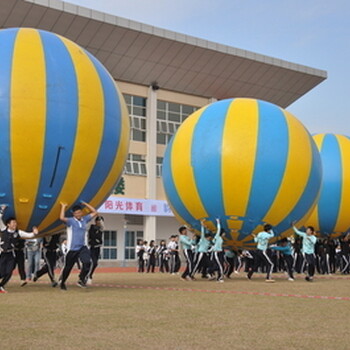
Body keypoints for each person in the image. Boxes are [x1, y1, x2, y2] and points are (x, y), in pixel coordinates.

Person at [59, 201, 97, 290]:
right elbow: (61, 218)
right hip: (72, 248)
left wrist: (85, 204)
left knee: (88, 262)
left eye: (79, 212)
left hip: (82, 247)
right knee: (68, 267)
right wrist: (63, 206)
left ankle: (81, 279)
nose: (78, 214)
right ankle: (63, 282)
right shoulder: (71, 221)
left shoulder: (85, 219)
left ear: (81, 212)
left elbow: (95, 212)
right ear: (73, 214)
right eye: (76, 213)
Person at [0, 205, 39, 293]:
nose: (15, 224)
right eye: (13, 223)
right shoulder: (3, 229)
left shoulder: (18, 232)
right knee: (1, 272)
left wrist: (34, 233)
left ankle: (1, 286)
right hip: (2, 254)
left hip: (11, 254)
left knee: (9, 272)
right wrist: (2, 210)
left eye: (15, 223)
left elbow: (29, 235)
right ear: (8, 224)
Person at [87, 216, 104, 284]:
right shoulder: (92, 228)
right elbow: (92, 236)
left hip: (98, 248)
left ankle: (89, 275)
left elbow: (100, 238)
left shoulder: (100, 229)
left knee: (95, 263)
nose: (100, 223)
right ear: (96, 221)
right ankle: (89, 276)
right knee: (93, 262)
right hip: (92, 247)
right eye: (99, 221)